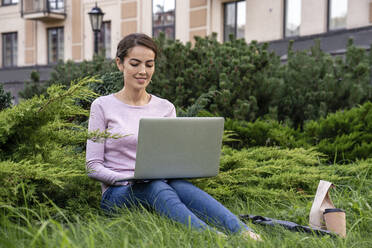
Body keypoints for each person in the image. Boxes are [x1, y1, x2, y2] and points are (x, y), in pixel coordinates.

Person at [86, 33, 261, 241]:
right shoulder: (102, 106)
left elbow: (171, 159)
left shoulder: (165, 107)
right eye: (135, 64)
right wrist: (127, 180)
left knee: (181, 186)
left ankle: (244, 233)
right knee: (155, 186)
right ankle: (212, 238)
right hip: (117, 194)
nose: (143, 71)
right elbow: (93, 166)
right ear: (120, 64)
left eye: (149, 65)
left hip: (160, 182)